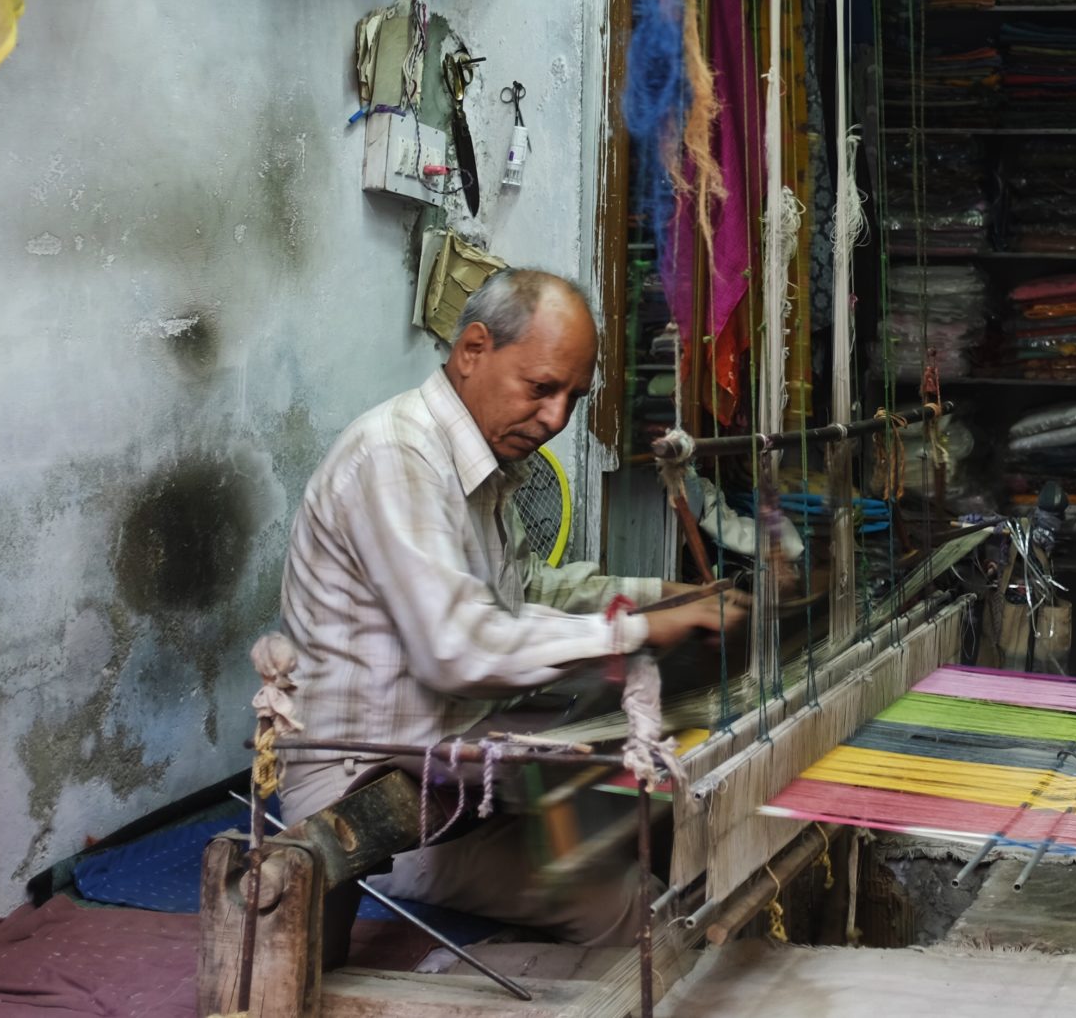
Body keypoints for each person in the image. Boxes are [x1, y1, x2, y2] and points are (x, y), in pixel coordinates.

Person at [278, 267, 745, 945]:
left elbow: (525, 588)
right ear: (472, 350)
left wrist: (670, 596)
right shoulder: (398, 457)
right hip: (368, 811)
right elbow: (459, 647)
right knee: (634, 906)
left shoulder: (483, 467)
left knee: (662, 816)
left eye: (574, 397)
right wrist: (642, 627)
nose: (556, 418)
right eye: (541, 388)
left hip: (457, 777)